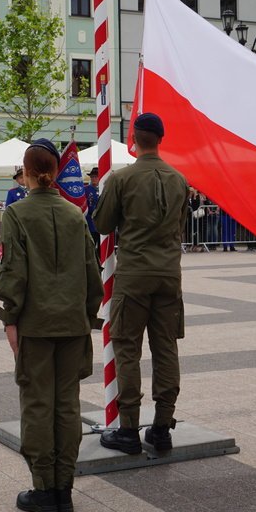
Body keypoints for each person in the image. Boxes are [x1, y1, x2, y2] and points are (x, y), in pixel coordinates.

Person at [0, 139, 103, 512]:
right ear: (56, 173)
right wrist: (87, 316)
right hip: (73, 324)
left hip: (37, 325)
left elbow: (13, 273)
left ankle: (44, 488)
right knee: (68, 405)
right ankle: (64, 488)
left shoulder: (17, 214)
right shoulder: (75, 214)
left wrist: (10, 318)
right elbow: (92, 274)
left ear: (26, 173)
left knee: (38, 405)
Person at [93, 112, 189, 454]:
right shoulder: (179, 180)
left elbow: (103, 224)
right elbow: (180, 225)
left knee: (127, 349)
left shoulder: (122, 178)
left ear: (134, 139)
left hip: (134, 275)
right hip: (168, 275)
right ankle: (162, 427)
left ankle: (129, 428)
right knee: (166, 349)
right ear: (161, 139)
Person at [85, 167, 101, 259]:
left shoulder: (104, 189)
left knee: (101, 250)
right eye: (92, 177)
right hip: (90, 223)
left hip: (102, 223)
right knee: (90, 248)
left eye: (96, 176)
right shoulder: (86, 189)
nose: (93, 178)